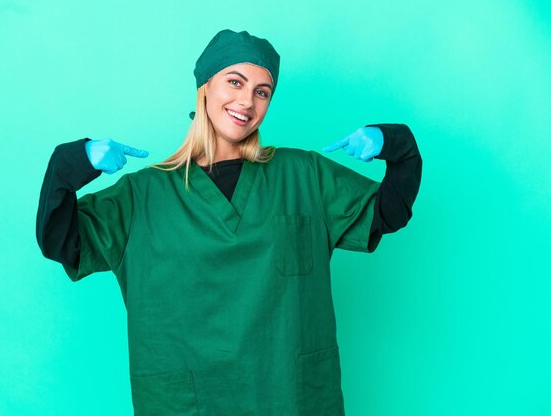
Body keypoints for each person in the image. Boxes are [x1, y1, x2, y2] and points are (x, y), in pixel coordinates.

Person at [36, 29, 422, 416]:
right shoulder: (142, 195)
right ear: (205, 87)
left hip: (289, 397)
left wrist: (395, 144)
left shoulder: (303, 175)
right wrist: (73, 162)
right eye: (234, 82)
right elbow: (62, 242)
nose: (247, 101)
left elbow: (387, 212)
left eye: (262, 91)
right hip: (189, 402)